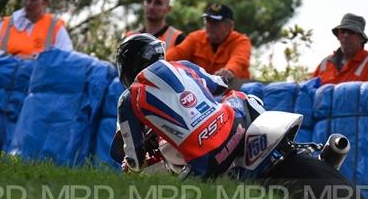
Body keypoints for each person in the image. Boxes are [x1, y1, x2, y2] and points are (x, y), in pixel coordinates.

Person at [113, 33, 264, 178]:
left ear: (127, 65)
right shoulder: (183, 66)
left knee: (172, 185)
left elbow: (136, 161)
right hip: (235, 129)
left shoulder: (128, 99)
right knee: (241, 97)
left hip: (204, 164)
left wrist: (131, 164)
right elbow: (219, 84)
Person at [165, 3, 251, 85]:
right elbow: (176, 53)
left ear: (229, 25)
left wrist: (229, 71)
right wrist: (159, 61)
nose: (209, 25)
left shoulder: (241, 41)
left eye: (215, 22)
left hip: (234, 94)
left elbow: (239, 61)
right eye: (207, 21)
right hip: (202, 94)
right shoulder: (195, 38)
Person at [313, 13, 368, 89]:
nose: (346, 35)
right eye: (343, 31)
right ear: (338, 36)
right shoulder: (325, 64)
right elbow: (308, 89)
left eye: (351, 32)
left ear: (361, 39)